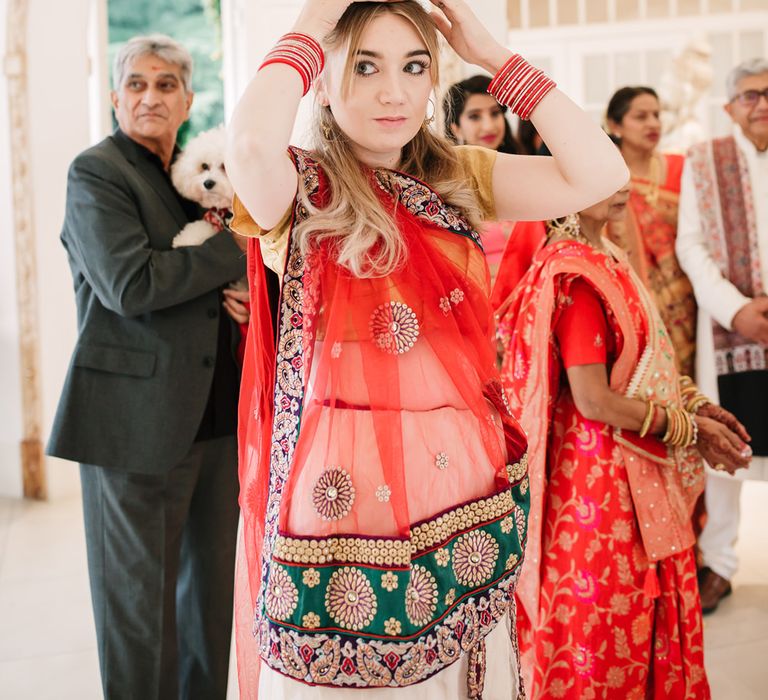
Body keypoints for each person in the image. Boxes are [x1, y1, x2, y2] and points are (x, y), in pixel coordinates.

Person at [225, 0, 628, 697]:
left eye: (415, 67)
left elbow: (598, 174)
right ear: (321, 78)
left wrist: (495, 57)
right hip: (343, 516)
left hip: (459, 497)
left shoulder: (459, 179)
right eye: (366, 66)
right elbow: (253, 147)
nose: (395, 92)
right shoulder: (300, 193)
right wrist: (315, 24)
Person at [47, 35, 248, 699]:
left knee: (209, 612)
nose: (151, 96)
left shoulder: (194, 176)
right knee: (141, 617)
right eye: (136, 84)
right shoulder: (98, 173)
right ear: (114, 98)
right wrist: (239, 250)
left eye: (166, 85)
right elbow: (129, 284)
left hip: (218, 421)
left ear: (188, 100)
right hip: (137, 427)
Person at [495, 190, 751, 699]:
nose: (622, 186)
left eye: (619, 173)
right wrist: (688, 430)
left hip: (632, 469)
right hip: (599, 488)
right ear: (568, 191)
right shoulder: (577, 277)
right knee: (605, 623)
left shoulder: (611, 256)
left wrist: (697, 405)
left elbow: (642, 369)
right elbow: (595, 401)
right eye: (602, 176)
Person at [676, 57, 768, 614]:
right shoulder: (704, 160)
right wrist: (737, 312)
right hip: (732, 325)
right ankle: (720, 564)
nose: (762, 104)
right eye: (750, 95)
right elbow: (693, 245)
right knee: (730, 445)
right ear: (731, 107)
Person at [605, 86, 697, 378]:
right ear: (615, 125)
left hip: (689, 295)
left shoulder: (682, 167)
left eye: (656, 115)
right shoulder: (606, 178)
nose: (653, 123)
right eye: (641, 116)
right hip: (635, 299)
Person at [443, 74, 519, 285]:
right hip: (478, 299)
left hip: (530, 300)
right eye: (475, 117)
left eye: (495, 114)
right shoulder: (445, 186)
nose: (489, 126)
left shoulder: (523, 172)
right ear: (455, 127)